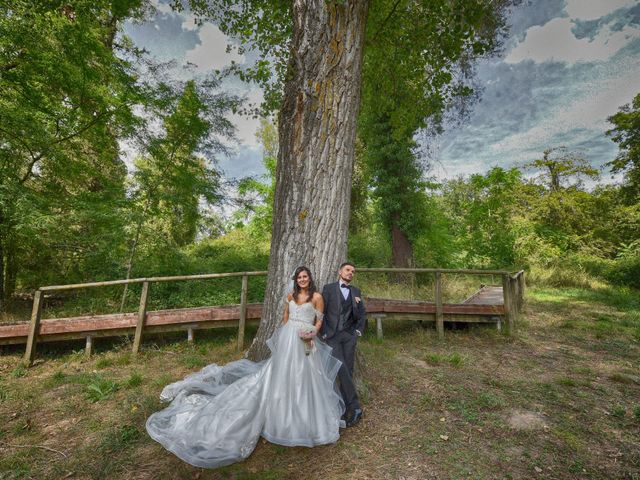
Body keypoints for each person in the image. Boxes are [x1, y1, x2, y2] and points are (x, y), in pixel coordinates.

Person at [146, 266, 345, 468]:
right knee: (281, 374)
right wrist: (288, 330)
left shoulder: (317, 297)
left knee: (306, 377)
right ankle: (280, 414)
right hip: (288, 339)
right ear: (296, 280)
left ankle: (305, 419)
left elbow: (319, 320)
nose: (303, 279)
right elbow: (285, 316)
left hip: (306, 339)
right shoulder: (290, 296)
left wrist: (311, 332)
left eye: (305, 277)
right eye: (300, 277)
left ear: (310, 279)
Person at [321, 262, 367, 427]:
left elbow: (362, 314)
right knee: (340, 368)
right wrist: (324, 333)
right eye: (348, 270)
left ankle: (344, 408)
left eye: (353, 271)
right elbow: (322, 311)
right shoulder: (328, 288)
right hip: (332, 335)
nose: (350, 273)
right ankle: (354, 407)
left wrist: (358, 332)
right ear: (340, 271)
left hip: (349, 336)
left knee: (348, 369)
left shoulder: (356, 291)